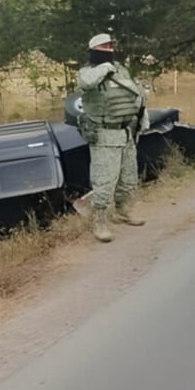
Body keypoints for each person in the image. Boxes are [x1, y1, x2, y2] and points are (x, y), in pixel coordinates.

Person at [77, 33, 150, 243]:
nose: (108, 48)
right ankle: (99, 222)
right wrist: (104, 68)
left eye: (110, 45)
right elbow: (86, 83)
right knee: (104, 180)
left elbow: (135, 94)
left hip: (126, 131)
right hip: (104, 134)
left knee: (128, 178)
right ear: (94, 49)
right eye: (103, 46)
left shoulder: (121, 70)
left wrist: (142, 116)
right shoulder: (88, 71)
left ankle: (123, 211)